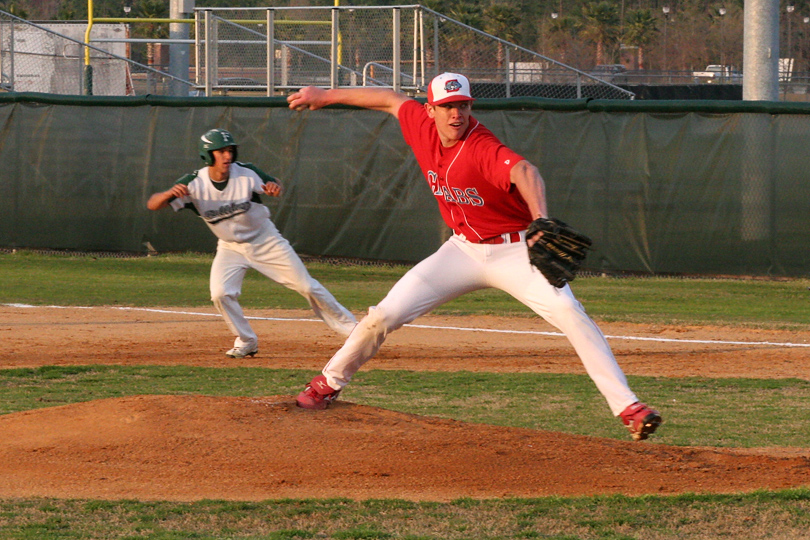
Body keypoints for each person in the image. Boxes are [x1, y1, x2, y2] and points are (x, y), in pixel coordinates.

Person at [286, 73, 662, 441]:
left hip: (515, 252)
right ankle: (327, 383)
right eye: (448, 106)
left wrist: (541, 219)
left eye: (463, 105)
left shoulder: (481, 146)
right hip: (462, 249)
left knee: (569, 312)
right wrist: (324, 95)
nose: (456, 115)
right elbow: (388, 98)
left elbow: (524, 170)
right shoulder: (420, 125)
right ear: (430, 109)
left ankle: (628, 407)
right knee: (383, 315)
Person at [147, 128, 357, 358]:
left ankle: (355, 332)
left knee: (307, 286)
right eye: (220, 151)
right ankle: (247, 340)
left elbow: (273, 183)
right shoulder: (194, 184)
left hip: (265, 240)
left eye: (230, 150)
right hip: (229, 247)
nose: (227, 156)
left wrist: (275, 187)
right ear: (207, 155)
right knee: (220, 293)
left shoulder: (245, 173)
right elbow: (153, 204)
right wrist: (168, 194)